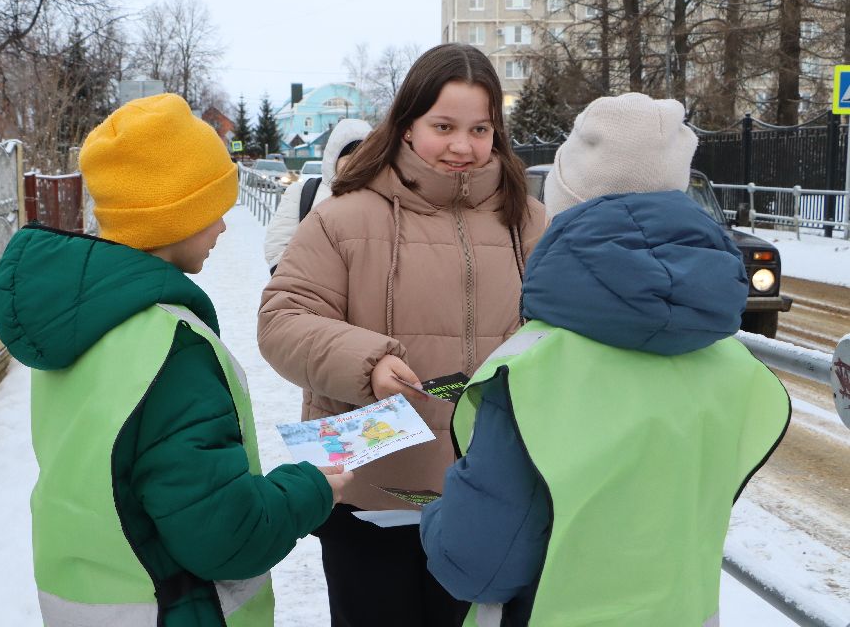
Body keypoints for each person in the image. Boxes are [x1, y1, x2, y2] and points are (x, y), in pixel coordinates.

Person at [420, 93, 791, 626]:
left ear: (566, 202)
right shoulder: (736, 367)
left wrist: (435, 517)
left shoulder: (534, 370)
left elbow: (476, 565)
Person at [0, 93, 351, 627]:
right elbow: (226, 536)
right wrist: (313, 487)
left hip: (90, 598)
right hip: (175, 607)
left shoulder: (82, 323)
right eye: (212, 212)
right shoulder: (171, 348)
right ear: (171, 214)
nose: (223, 228)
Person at [258, 43, 548, 627]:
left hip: (486, 499)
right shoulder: (345, 215)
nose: (462, 146)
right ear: (408, 124)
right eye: (443, 126)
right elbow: (282, 319)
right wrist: (366, 364)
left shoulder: (529, 221)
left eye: (480, 128)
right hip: (367, 499)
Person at [263, 118, 372, 272]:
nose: (357, 165)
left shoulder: (380, 199)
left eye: (364, 159)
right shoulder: (303, 194)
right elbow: (277, 247)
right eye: (349, 159)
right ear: (334, 158)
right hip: (308, 290)